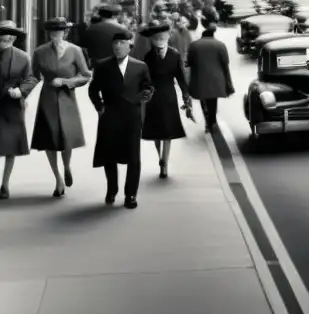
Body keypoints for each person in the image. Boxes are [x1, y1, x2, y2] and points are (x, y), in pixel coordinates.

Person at [87, 28, 153, 209]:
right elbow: (93, 89)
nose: (118, 47)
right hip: (110, 115)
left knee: (133, 156)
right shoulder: (103, 65)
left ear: (129, 46)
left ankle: (131, 194)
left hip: (132, 116)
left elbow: (148, 87)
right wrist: (99, 107)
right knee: (110, 156)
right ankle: (112, 189)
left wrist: (143, 97)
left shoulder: (140, 66)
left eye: (122, 44)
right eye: (115, 44)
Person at [31, 17, 92, 197]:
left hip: (67, 97)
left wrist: (66, 81)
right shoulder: (39, 52)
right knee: (48, 138)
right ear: (48, 33)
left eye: (59, 31)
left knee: (67, 137)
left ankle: (66, 166)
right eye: (52, 32)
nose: (55, 35)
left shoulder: (75, 50)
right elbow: (33, 76)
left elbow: (86, 75)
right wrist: (22, 95)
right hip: (47, 97)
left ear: (65, 33)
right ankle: (57, 178)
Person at [139, 20, 190, 178]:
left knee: (167, 131)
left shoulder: (174, 54)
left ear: (167, 38)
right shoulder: (148, 57)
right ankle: (160, 156)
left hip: (168, 95)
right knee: (156, 132)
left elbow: (181, 77)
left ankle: (164, 162)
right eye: (156, 37)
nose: (159, 40)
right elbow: (144, 78)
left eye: (162, 36)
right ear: (153, 40)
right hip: (153, 97)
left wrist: (185, 97)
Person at [0, 20, 38, 199]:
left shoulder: (22, 57)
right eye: (2, 33)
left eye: (8, 33)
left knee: (10, 147)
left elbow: (30, 78)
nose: (4, 37)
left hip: (11, 105)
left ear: (14, 37)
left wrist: (21, 91)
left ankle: (5, 184)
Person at [186, 18, 233, 133]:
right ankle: (212, 122)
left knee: (204, 100)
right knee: (213, 101)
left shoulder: (194, 45)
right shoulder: (220, 45)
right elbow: (225, 63)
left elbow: (189, 62)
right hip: (216, 79)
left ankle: (208, 121)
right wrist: (229, 83)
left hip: (200, 79)